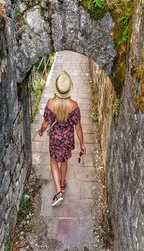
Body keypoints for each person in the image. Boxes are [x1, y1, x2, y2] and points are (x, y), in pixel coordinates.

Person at [38, 71, 86, 207]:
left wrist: (41, 131)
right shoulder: (74, 105)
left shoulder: (50, 103)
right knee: (64, 161)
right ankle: (63, 183)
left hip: (54, 138)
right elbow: (78, 128)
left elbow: (46, 124)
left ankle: (58, 192)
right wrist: (82, 144)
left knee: (54, 161)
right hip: (67, 139)